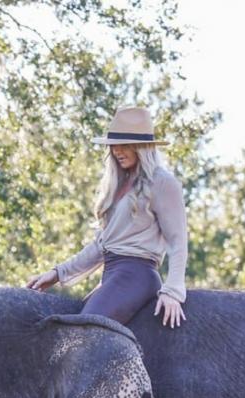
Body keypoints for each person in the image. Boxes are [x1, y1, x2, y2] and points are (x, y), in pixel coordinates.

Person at [26, 106, 187, 328]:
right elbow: (101, 246)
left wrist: (173, 291)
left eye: (124, 145)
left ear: (142, 147)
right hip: (112, 276)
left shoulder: (162, 182)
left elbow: (178, 241)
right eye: (113, 146)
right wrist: (56, 273)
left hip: (136, 275)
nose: (116, 151)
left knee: (83, 333)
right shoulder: (119, 185)